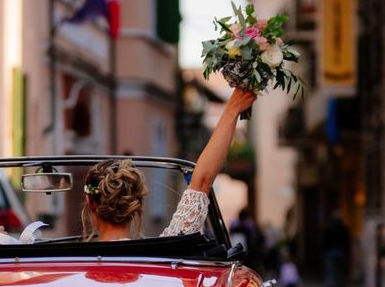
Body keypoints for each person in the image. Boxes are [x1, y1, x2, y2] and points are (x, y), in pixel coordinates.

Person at [81, 88, 256, 241]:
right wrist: (232, 109)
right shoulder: (166, 254)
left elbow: (202, 183)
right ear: (135, 205)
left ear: (90, 202)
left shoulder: (60, 267)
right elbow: (202, 182)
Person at [322, 211, 351, 287]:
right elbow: (347, 242)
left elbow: (324, 241)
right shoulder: (344, 229)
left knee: (331, 272)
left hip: (330, 252)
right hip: (341, 253)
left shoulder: (329, 228)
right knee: (340, 273)